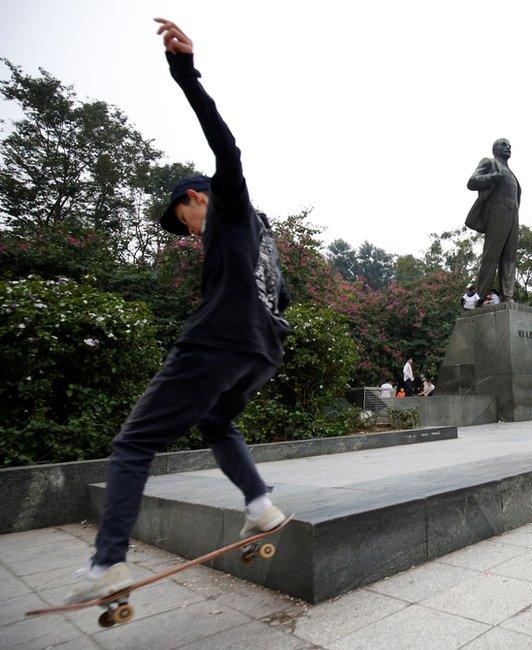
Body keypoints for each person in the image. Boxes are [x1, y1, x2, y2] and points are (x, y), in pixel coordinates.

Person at [66, 19, 289, 603]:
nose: (186, 232)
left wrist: (184, 70)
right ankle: (261, 506)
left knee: (134, 443)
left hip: (219, 342)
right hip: (262, 350)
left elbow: (226, 145)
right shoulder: (261, 236)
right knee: (216, 422)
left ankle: (108, 565)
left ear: (196, 199)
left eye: (181, 219)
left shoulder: (231, 207)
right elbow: (280, 295)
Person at [465, 138, 520, 302]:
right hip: (497, 210)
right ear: (495, 149)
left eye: (510, 145)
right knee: (491, 255)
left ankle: (507, 296)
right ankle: (481, 298)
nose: (508, 147)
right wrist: (493, 177)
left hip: (513, 212)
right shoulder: (489, 162)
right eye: (504, 145)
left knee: (510, 257)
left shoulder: (511, 172)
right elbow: (472, 182)